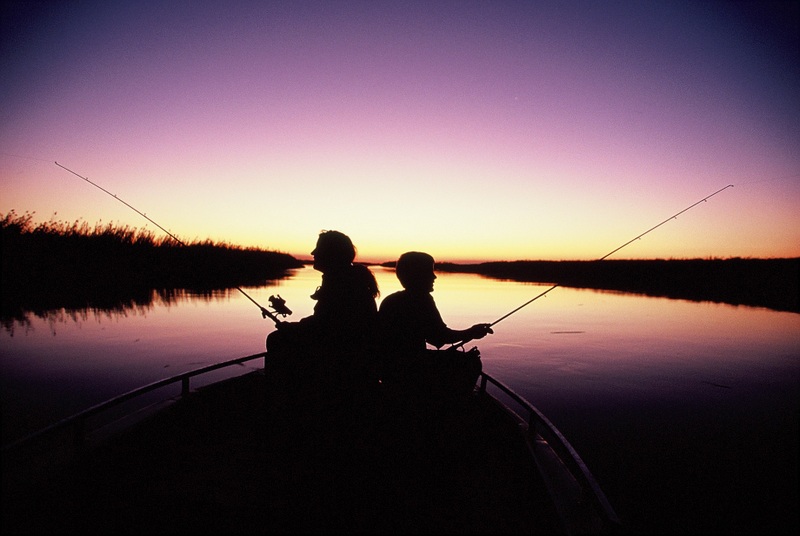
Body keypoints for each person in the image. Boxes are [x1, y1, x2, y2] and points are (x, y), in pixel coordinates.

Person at [377, 251, 493, 403]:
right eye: (429, 272)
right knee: (470, 362)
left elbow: (435, 338)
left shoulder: (391, 300)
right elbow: (440, 338)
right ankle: (455, 405)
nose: (434, 277)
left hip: (390, 367)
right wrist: (471, 332)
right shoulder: (421, 300)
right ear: (417, 275)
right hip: (409, 368)